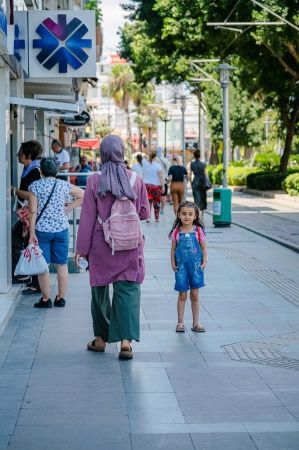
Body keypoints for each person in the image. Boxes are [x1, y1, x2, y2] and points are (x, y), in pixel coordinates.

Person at [75, 135, 150, 359]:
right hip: (129, 244)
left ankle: (100, 339)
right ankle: (126, 342)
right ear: (122, 152)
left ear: (102, 153)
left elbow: (88, 218)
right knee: (128, 290)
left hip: (101, 244)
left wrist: (81, 249)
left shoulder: (94, 180)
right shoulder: (135, 179)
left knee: (99, 290)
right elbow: (144, 212)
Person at [28, 157, 84, 308]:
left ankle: (46, 300)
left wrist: (31, 233)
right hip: (61, 230)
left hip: (42, 231)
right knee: (62, 264)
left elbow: (33, 211)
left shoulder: (35, 186)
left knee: (43, 266)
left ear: (40, 171)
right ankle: (61, 298)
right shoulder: (64, 185)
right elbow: (83, 195)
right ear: (57, 171)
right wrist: (71, 206)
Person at [169, 201, 207, 333]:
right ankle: (180, 323)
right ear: (178, 215)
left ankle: (196, 323)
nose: (187, 217)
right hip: (181, 268)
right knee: (182, 294)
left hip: (196, 267)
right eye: (184, 214)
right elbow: (173, 249)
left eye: (190, 214)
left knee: (195, 295)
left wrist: (204, 261)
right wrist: (172, 262)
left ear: (195, 216)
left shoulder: (198, 231)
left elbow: (203, 248)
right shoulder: (176, 232)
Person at [11, 140, 42, 293]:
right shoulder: (29, 168)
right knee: (26, 244)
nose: (17, 155)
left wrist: (15, 190)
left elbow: (31, 195)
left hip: (30, 215)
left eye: (21, 153)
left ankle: (26, 276)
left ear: (28, 155)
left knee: (19, 241)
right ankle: (31, 279)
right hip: (28, 214)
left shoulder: (34, 171)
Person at [142, 151, 164, 222]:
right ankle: (157, 218)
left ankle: (148, 217)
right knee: (156, 202)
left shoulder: (144, 163)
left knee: (148, 202)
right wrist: (163, 186)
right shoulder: (158, 165)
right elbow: (161, 176)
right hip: (156, 186)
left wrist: (147, 157)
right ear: (155, 157)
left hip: (146, 185)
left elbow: (144, 156)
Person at [190, 149, 208, 216]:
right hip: (202, 181)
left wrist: (191, 182)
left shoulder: (192, 164)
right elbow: (205, 174)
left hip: (195, 181)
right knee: (203, 196)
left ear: (194, 156)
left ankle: (197, 213)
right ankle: (202, 213)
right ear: (200, 156)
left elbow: (189, 175)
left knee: (196, 197)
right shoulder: (203, 164)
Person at [155, 147, 170, 214]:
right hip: (164, 180)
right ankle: (162, 209)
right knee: (163, 195)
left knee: (156, 196)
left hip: (155, 181)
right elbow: (168, 171)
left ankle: (156, 209)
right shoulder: (166, 160)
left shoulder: (153, 160)